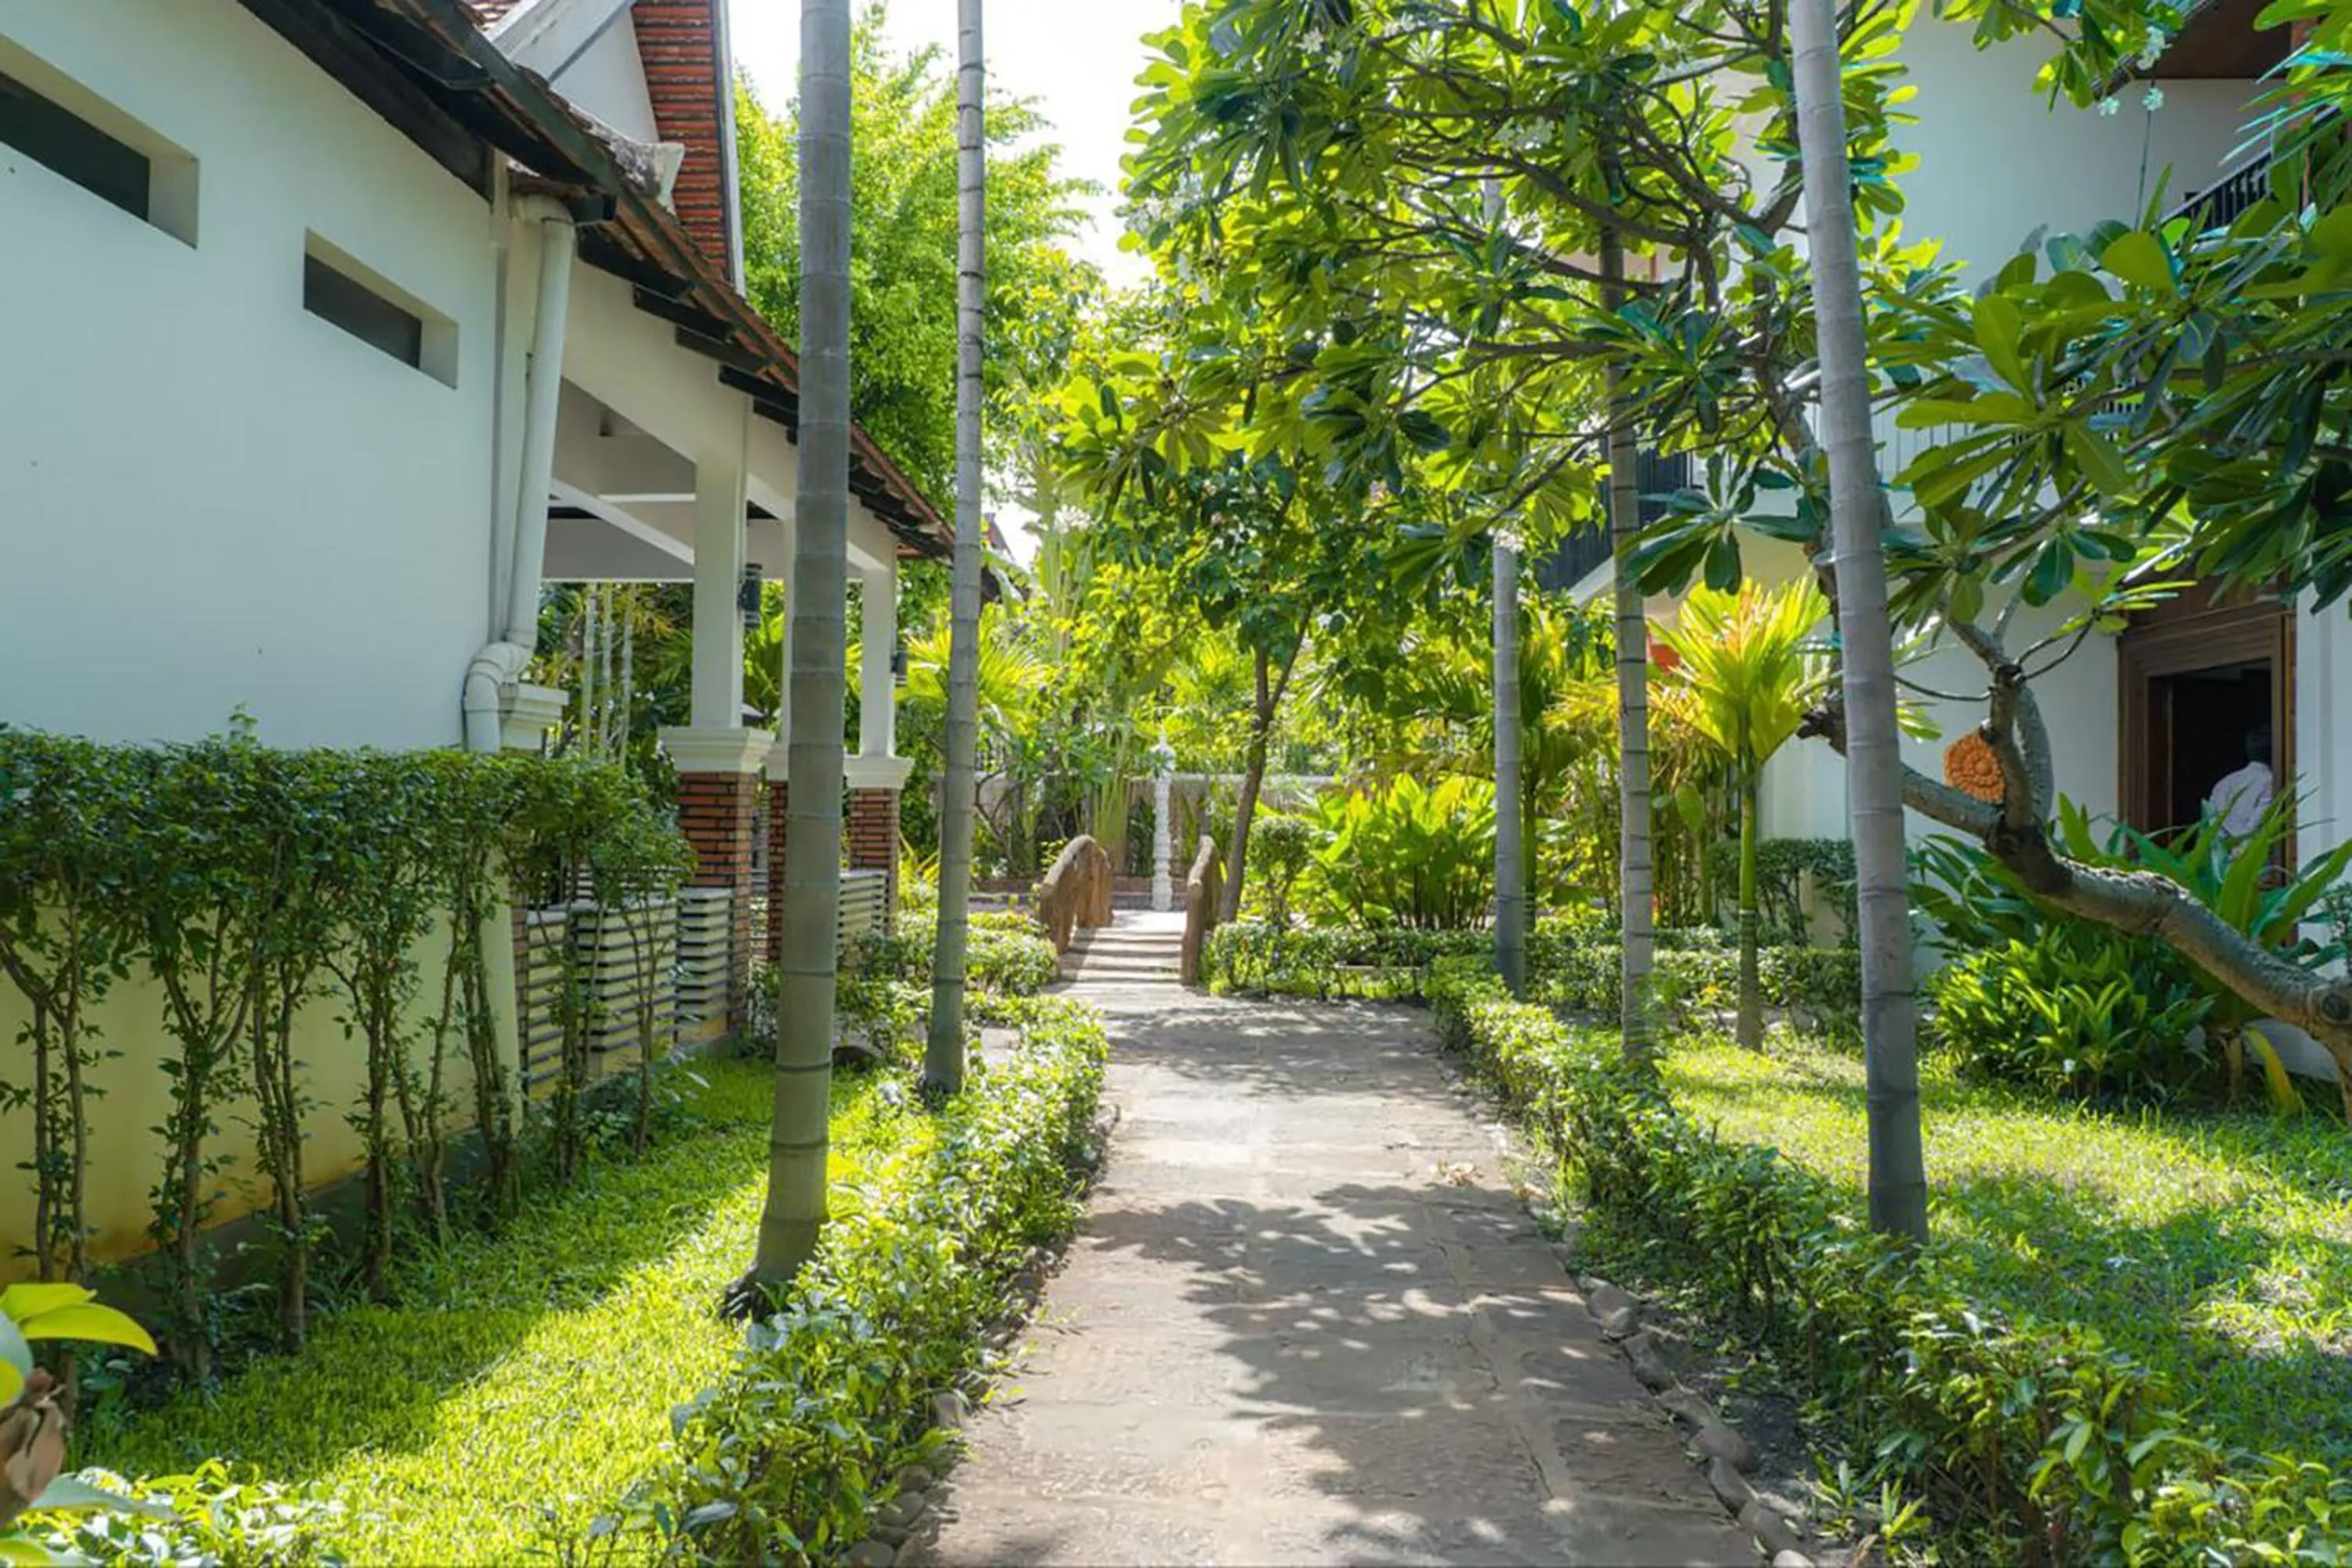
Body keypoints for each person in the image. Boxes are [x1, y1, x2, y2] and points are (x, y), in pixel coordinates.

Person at [2206, 724, 2275, 838]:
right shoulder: (2270, 782)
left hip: (2222, 852)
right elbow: (2258, 824)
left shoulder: (2224, 783)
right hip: (2254, 851)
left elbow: (2212, 821)